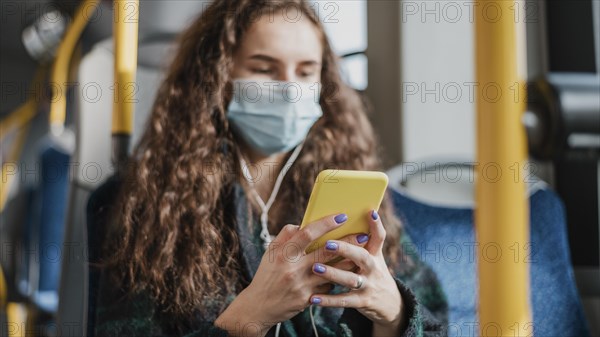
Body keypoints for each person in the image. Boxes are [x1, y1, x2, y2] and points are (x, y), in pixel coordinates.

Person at [94, 1, 448, 336]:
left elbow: (435, 321)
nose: (290, 89)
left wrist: (395, 314)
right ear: (216, 76)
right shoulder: (145, 200)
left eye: (306, 71)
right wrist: (250, 316)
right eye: (264, 68)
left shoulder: (349, 184)